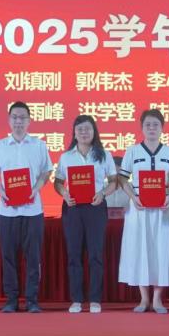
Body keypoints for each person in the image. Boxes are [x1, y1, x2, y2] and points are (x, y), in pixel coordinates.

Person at [0, 101, 53, 313]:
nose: (18, 121)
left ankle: (32, 300)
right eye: (15, 117)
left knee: (33, 257)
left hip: (33, 210)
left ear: (29, 121)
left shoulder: (39, 145)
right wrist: (1, 191)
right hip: (7, 211)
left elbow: (46, 172)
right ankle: (11, 299)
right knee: (8, 256)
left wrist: (36, 188)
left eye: (22, 117)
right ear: (9, 120)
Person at [117, 109, 169, 313]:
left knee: (161, 250)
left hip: (163, 208)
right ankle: (143, 299)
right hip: (139, 208)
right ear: (141, 128)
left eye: (156, 125)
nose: (152, 128)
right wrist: (133, 196)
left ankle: (157, 299)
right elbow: (122, 179)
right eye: (148, 125)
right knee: (139, 250)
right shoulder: (132, 151)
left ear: (162, 128)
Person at [54, 115, 117, 314]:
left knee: (95, 255)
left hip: (95, 207)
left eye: (87, 129)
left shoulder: (104, 155)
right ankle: (77, 300)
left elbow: (114, 182)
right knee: (74, 254)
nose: (83, 132)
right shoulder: (66, 157)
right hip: (73, 208)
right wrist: (64, 194)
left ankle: (95, 299)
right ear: (74, 133)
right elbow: (58, 182)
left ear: (94, 132)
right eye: (79, 129)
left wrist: (103, 193)